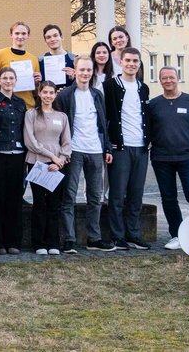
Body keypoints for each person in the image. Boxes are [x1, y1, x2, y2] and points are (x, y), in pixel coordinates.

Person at [54, 55, 114, 254]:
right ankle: (69, 239)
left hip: (95, 150)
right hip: (74, 151)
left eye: (89, 70)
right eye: (82, 70)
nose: (85, 73)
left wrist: (107, 148)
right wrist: (64, 151)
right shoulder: (64, 96)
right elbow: (61, 127)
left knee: (95, 197)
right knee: (69, 196)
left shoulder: (97, 95)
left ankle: (93, 238)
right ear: (75, 70)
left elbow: (103, 124)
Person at [147, 66, 189, 251]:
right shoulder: (154, 105)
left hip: (187, 158)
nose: (168, 81)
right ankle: (177, 235)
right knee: (169, 198)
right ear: (160, 81)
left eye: (171, 77)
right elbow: (149, 130)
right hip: (161, 158)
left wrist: (187, 144)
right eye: (164, 78)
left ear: (177, 78)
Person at [104, 47, 151, 250]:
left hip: (141, 148)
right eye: (128, 60)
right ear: (121, 63)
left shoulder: (144, 88)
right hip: (120, 147)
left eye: (135, 61)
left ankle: (133, 233)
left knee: (136, 194)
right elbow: (106, 117)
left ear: (139, 64)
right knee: (117, 194)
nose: (131, 64)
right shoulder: (110, 86)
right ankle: (117, 235)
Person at [23, 81, 70, 255]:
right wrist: (51, 157)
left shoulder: (62, 116)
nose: (48, 95)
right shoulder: (31, 114)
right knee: (39, 203)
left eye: (51, 92)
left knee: (54, 204)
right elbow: (31, 141)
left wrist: (61, 160)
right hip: (37, 163)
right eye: (45, 92)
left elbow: (66, 142)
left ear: (55, 95)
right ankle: (39, 243)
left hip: (57, 166)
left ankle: (53, 242)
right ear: (40, 94)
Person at [0, 66, 27, 255]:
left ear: (16, 81)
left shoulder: (20, 103)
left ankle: (13, 241)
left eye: (11, 78)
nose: (8, 81)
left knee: (14, 200)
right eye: (5, 78)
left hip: (17, 155)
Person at [0, 21, 42, 108]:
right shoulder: (0, 55)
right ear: (11, 35)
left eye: (23, 33)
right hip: (6, 107)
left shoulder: (33, 59)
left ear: (28, 36)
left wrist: (37, 83)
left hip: (28, 107)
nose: (20, 36)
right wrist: (3, 82)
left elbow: (35, 91)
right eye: (17, 33)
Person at [40, 24, 76, 91]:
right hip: (49, 100)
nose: (52, 39)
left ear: (61, 37)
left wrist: (73, 78)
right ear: (45, 41)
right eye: (48, 37)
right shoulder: (40, 61)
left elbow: (82, 84)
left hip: (68, 99)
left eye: (55, 35)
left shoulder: (75, 59)